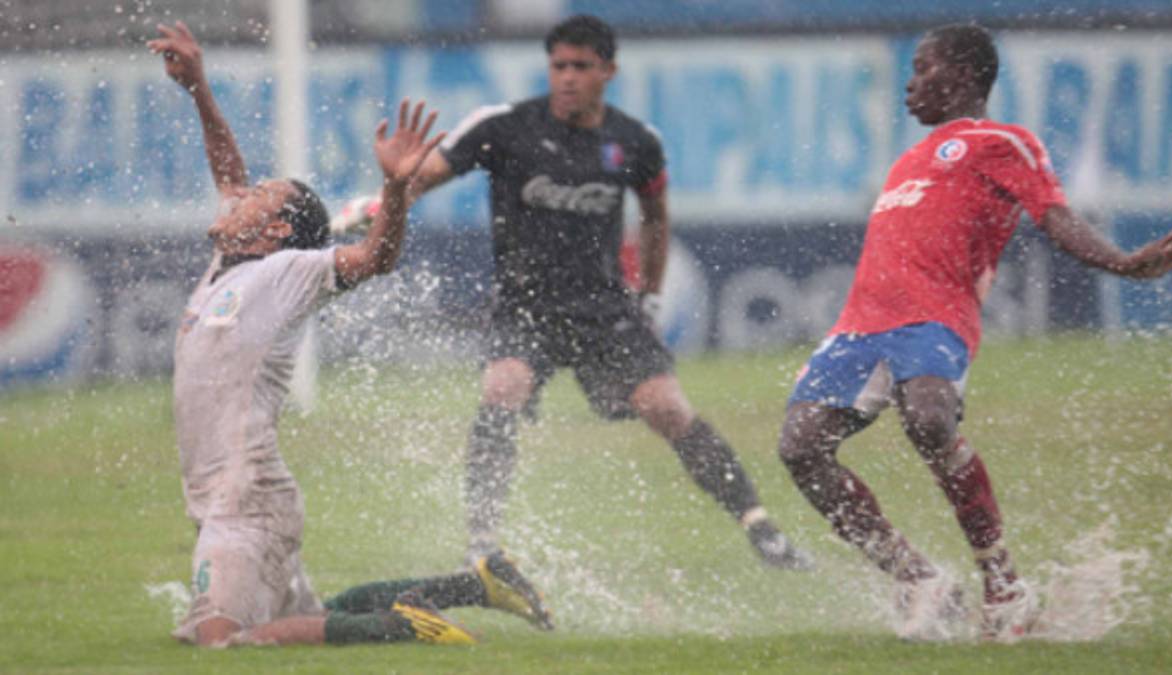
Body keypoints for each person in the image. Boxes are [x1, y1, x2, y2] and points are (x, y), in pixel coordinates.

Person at [776, 23, 1172, 642]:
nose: (911, 82)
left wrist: (1120, 261)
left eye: (923, 68)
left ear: (967, 75)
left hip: (934, 316)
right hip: (861, 323)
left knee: (927, 418)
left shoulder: (1003, 142)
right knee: (799, 446)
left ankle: (1004, 584)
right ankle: (918, 579)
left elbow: (1053, 216)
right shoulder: (908, 159)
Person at [151, 21, 549, 647]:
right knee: (312, 612)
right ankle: (475, 586)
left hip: (247, 502)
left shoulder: (286, 270)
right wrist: (198, 87)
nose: (239, 192)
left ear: (278, 229)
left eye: (259, 193)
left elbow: (374, 258)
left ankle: (404, 628)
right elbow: (226, 165)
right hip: (231, 497)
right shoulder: (225, 266)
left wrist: (393, 186)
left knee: (222, 640)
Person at [401, 14, 813, 572]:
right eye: (559, 66)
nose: (567, 77)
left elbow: (655, 217)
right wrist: (398, 178)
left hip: (602, 307)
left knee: (666, 406)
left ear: (608, 71)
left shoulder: (635, 141)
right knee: (504, 386)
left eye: (581, 66)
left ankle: (761, 528)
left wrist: (649, 294)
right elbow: (422, 177)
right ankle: (481, 544)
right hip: (526, 305)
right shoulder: (505, 126)